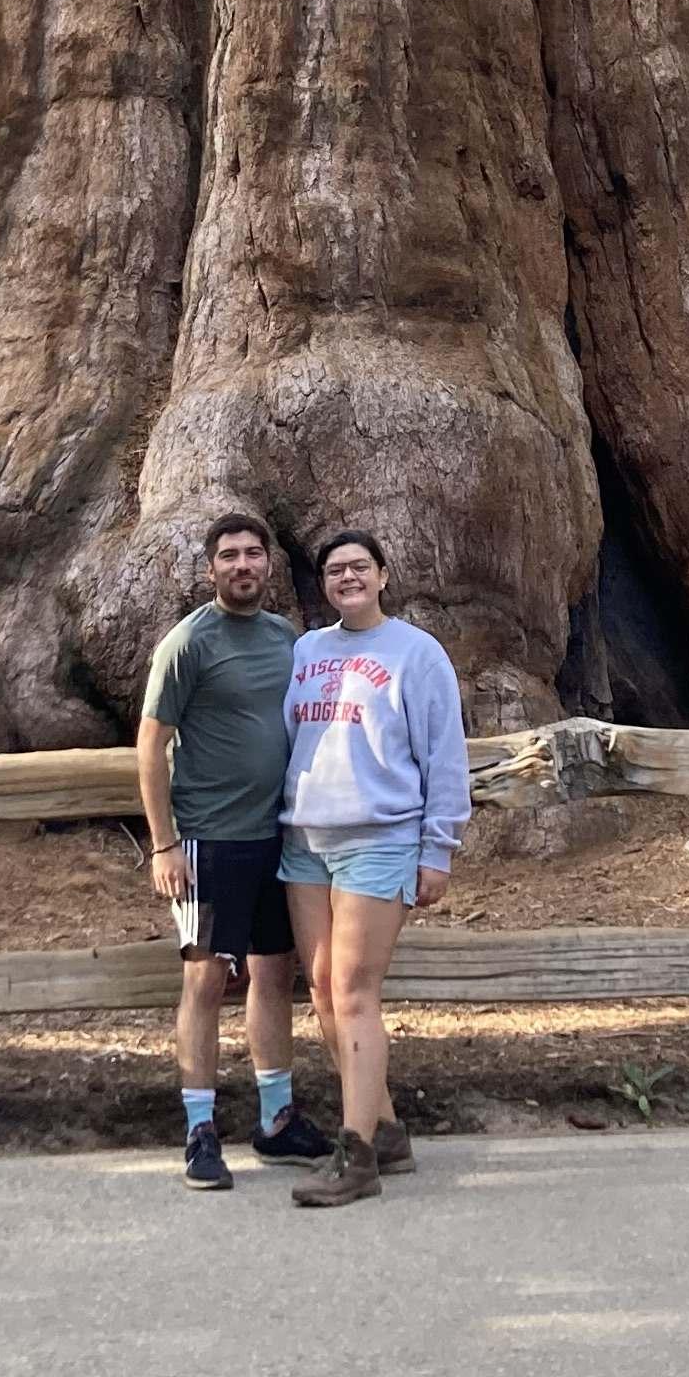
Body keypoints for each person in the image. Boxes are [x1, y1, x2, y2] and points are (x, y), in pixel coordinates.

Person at [276, 529, 471, 1210]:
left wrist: (436, 848)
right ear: (324, 584)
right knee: (325, 991)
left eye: (359, 566)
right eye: (335, 570)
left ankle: (355, 1156)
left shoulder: (417, 654)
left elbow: (444, 755)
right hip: (304, 838)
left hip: (379, 837)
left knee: (355, 993)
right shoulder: (306, 651)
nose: (347, 577)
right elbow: (286, 737)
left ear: (383, 575)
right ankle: (385, 1128)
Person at [138, 512, 332, 1191]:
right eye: (229, 556)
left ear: (268, 565)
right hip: (207, 838)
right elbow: (151, 745)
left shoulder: (286, 639)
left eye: (253, 554)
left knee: (274, 975)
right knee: (205, 979)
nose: (243, 565)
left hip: (276, 836)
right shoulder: (188, 643)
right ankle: (199, 1129)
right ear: (211, 568)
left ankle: (276, 1122)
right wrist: (163, 843)